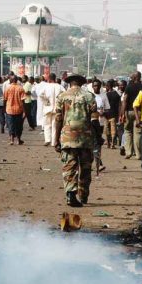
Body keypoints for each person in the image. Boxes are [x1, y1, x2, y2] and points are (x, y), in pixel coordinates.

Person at [54, 74, 96, 207]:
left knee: (69, 166)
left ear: (69, 83)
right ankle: (83, 194)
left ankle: (70, 194)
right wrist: (99, 137)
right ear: (82, 83)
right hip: (85, 138)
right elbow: (94, 119)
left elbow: (58, 119)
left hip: (67, 137)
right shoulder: (89, 96)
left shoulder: (62, 96)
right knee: (85, 167)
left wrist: (56, 140)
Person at [40, 73, 65, 146]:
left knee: (47, 124)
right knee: (55, 125)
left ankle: (47, 139)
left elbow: (40, 95)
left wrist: (46, 101)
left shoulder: (46, 86)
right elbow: (64, 95)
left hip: (47, 108)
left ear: (49, 79)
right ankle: (54, 142)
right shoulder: (60, 87)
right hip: (57, 109)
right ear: (55, 78)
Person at [123, 72, 142, 159]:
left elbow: (125, 100)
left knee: (127, 131)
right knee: (138, 133)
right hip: (139, 112)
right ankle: (138, 154)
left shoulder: (128, 87)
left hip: (129, 112)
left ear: (134, 77)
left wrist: (123, 113)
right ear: (139, 77)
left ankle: (128, 152)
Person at [92, 79, 108, 175]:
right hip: (92, 123)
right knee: (94, 143)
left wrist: (103, 112)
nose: (96, 87)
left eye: (98, 86)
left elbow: (107, 109)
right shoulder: (90, 96)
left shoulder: (103, 96)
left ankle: (98, 163)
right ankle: (98, 164)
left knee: (98, 143)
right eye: (94, 86)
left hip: (100, 123)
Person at [3, 76, 25, 145]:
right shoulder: (21, 88)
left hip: (9, 110)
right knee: (19, 125)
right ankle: (18, 140)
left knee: (11, 125)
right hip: (19, 109)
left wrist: (4, 108)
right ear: (17, 80)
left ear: (11, 80)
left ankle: (12, 140)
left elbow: (5, 99)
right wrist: (24, 111)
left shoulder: (7, 88)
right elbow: (23, 100)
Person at [104, 79, 120, 149]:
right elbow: (119, 105)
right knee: (113, 129)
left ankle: (108, 143)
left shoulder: (106, 95)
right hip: (114, 114)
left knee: (107, 129)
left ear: (108, 86)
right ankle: (113, 143)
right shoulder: (116, 94)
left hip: (106, 114)